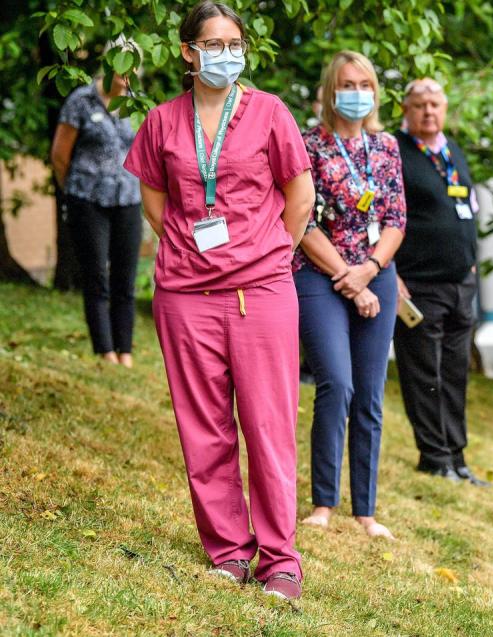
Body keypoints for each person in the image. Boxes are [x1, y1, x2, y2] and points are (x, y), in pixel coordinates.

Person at [123, 0, 315, 600]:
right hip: (185, 293)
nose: (226, 56)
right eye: (215, 44)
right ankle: (228, 552)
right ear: (189, 52)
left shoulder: (269, 112)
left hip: (261, 290)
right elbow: (156, 203)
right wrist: (190, 252)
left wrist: (269, 254)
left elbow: (299, 194)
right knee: (204, 428)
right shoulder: (161, 121)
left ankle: (280, 559)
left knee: (268, 425)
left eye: (235, 45)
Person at [293, 51, 405, 540]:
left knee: (370, 393)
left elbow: (397, 219)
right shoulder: (308, 145)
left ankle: (366, 510)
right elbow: (301, 220)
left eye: (364, 83)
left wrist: (371, 269)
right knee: (336, 384)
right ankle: (322, 503)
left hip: (375, 269)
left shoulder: (386, 146)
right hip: (320, 273)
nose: (356, 91)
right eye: (346, 83)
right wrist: (346, 275)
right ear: (330, 89)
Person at [392, 78, 487, 486]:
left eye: (435, 104)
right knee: (424, 374)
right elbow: (384, 218)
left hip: (460, 285)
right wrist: (390, 274)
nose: (429, 111)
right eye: (420, 105)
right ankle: (434, 456)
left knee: (454, 372)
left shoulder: (452, 151)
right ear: (406, 110)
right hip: (417, 285)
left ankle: (457, 456)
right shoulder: (396, 152)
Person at [50, 40, 143, 367]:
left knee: (125, 278)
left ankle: (126, 352)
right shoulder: (80, 100)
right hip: (87, 199)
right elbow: (60, 156)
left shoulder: (135, 104)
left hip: (129, 198)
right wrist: (73, 193)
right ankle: (105, 351)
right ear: (108, 63)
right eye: (122, 65)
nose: (127, 74)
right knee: (97, 277)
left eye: (134, 68)